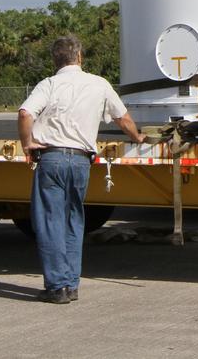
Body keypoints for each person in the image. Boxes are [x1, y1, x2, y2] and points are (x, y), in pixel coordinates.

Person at [18, 35, 145, 304]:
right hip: (80, 160)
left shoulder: (49, 84)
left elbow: (25, 113)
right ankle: (72, 284)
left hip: (51, 158)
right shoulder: (99, 84)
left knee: (50, 222)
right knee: (73, 220)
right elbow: (123, 118)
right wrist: (138, 138)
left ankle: (57, 287)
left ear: (55, 60)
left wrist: (28, 143)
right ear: (79, 57)